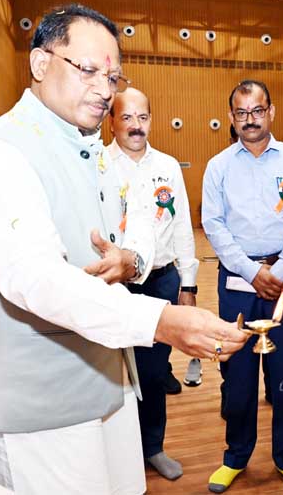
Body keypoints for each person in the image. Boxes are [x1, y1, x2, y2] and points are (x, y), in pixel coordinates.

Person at [0, 3, 247, 495]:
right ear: (41, 64)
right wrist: (163, 321)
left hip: (110, 385)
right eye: (88, 70)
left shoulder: (87, 151)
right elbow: (34, 278)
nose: (105, 89)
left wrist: (132, 260)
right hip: (41, 412)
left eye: (113, 76)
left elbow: (141, 221)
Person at [202, 80, 283, 494]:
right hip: (237, 280)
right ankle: (235, 455)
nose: (250, 120)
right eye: (241, 113)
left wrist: (281, 271)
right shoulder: (219, 167)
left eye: (257, 110)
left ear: (272, 111)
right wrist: (252, 273)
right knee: (238, 374)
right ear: (232, 118)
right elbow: (213, 225)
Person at [108, 87, 200, 479]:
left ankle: (153, 448)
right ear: (111, 120)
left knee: (153, 370)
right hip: (113, 286)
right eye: (126, 117)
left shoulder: (167, 166)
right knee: (110, 373)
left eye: (142, 117)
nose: (135, 126)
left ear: (151, 120)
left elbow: (181, 225)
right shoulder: (97, 166)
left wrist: (188, 282)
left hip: (162, 281)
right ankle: (115, 455)